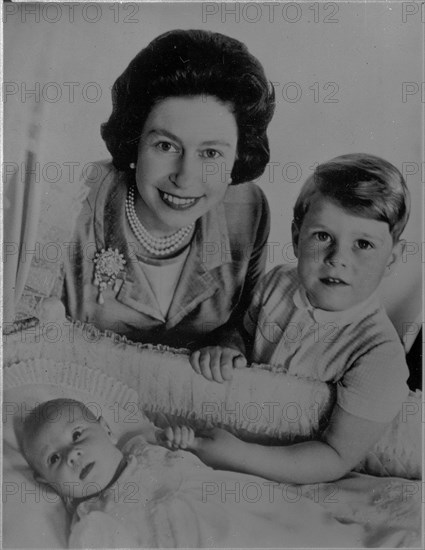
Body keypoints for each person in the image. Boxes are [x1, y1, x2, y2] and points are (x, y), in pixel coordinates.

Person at [189, 153, 411, 483]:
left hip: (298, 478)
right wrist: (229, 346)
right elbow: (241, 332)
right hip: (231, 437)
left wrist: (239, 455)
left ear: (392, 258)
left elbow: (336, 457)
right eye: (323, 236)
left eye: (363, 244)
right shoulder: (277, 282)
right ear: (296, 238)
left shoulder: (379, 356)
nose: (338, 259)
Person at [63, 29, 274, 350]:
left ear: (237, 156)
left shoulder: (248, 211)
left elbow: (242, 326)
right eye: (165, 145)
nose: (185, 177)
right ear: (135, 140)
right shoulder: (71, 202)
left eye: (211, 153)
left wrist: (230, 345)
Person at [22, 398, 363, 548]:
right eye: (54, 459)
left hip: (236, 514)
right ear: (45, 482)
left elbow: (196, 457)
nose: (72, 455)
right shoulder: (93, 519)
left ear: (106, 428)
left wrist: (183, 442)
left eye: (77, 435)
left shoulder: (143, 447)